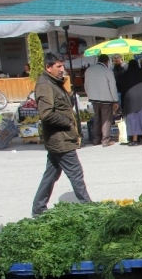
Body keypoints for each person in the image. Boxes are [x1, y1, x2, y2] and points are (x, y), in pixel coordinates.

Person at [31, 52, 91, 218]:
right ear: (48, 67)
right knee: (76, 172)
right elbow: (46, 114)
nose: (62, 69)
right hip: (60, 138)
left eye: (62, 65)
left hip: (59, 138)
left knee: (51, 174)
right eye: (58, 66)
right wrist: (67, 122)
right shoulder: (45, 85)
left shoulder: (54, 83)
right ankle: (89, 206)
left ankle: (38, 208)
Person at [83, 54, 119, 147]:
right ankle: (105, 140)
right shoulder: (107, 71)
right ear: (107, 61)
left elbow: (86, 85)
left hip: (94, 98)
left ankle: (96, 139)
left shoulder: (89, 70)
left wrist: (89, 95)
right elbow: (112, 87)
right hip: (106, 99)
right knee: (106, 119)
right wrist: (115, 100)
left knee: (97, 119)